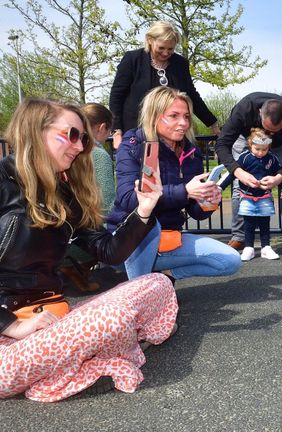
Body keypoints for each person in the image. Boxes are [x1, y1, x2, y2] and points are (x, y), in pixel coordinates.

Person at [0, 98, 177, 402]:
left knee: (158, 284)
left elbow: (109, 251)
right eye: (71, 134)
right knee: (113, 318)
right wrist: (13, 325)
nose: (80, 147)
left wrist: (144, 211)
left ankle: (78, 361)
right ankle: (91, 360)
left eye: (83, 138)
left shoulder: (62, 192)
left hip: (57, 320)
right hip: (9, 338)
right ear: (35, 131)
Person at [107, 86, 241, 281]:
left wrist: (209, 201)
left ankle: (162, 277)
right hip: (126, 242)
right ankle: (142, 295)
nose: (183, 123)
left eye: (187, 117)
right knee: (148, 224)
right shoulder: (132, 146)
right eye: (174, 116)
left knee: (230, 260)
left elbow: (196, 213)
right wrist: (185, 191)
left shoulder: (192, 153)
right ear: (153, 116)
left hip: (170, 238)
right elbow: (129, 200)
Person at [214, 93, 282, 258]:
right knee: (238, 188)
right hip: (246, 141)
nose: (269, 134)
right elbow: (222, 144)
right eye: (268, 129)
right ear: (259, 113)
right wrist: (238, 171)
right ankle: (239, 237)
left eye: (275, 131)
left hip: (280, 148)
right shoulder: (244, 109)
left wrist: (279, 177)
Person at [109, 20, 219, 150]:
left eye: (170, 49)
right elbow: (117, 96)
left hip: (171, 137)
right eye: (161, 48)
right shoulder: (132, 59)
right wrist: (117, 131)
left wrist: (213, 124)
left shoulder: (180, 64)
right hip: (137, 132)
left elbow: (191, 96)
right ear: (150, 40)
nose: (166, 53)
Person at [59, 103, 118, 292]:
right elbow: (107, 202)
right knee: (120, 231)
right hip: (83, 225)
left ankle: (73, 262)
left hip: (63, 224)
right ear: (102, 127)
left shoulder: (64, 150)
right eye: (109, 131)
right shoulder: (98, 155)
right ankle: (74, 262)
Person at [219, 128, 282, 261]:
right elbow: (232, 173)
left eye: (264, 149)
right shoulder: (244, 157)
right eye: (257, 149)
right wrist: (220, 187)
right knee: (248, 223)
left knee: (264, 223)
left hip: (265, 197)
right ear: (250, 145)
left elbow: (280, 174)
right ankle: (248, 248)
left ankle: (266, 247)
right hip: (247, 196)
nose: (261, 153)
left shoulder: (272, 159)